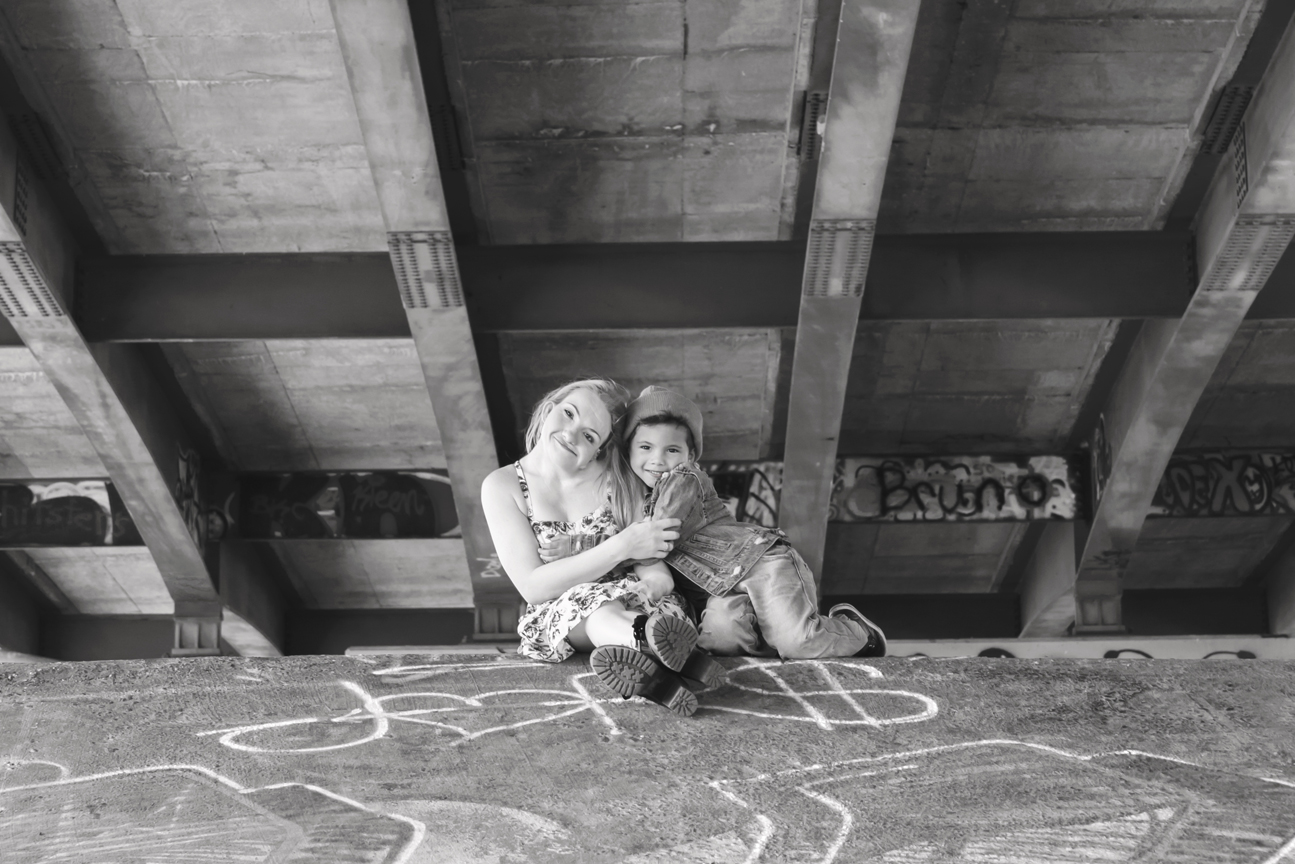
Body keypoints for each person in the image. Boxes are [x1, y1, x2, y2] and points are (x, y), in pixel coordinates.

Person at [479, 378, 723, 718]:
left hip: (639, 602)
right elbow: (534, 586)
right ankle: (666, 650)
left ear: (600, 449)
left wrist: (656, 583)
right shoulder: (502, 486)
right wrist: (622, 545)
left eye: (590, 436)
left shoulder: (617, 478)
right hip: (567, 614)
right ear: (548, 407)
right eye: (569, 413)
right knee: (596, 612)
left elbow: (650, 557)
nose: (571, 434)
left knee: (618, 613)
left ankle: (659, 677)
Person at [620, 386, 887, 660]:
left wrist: (607, 554)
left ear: (689, 457)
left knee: (798, 642)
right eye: (645, 447)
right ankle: (774, 642)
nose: (657, 459)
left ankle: (860, 633)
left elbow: (657, 534)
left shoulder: (685, 479)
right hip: (721, 588)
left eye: (672, 449)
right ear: (628, 450)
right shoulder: (637, 499)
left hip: (760, 564)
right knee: (719, 641)